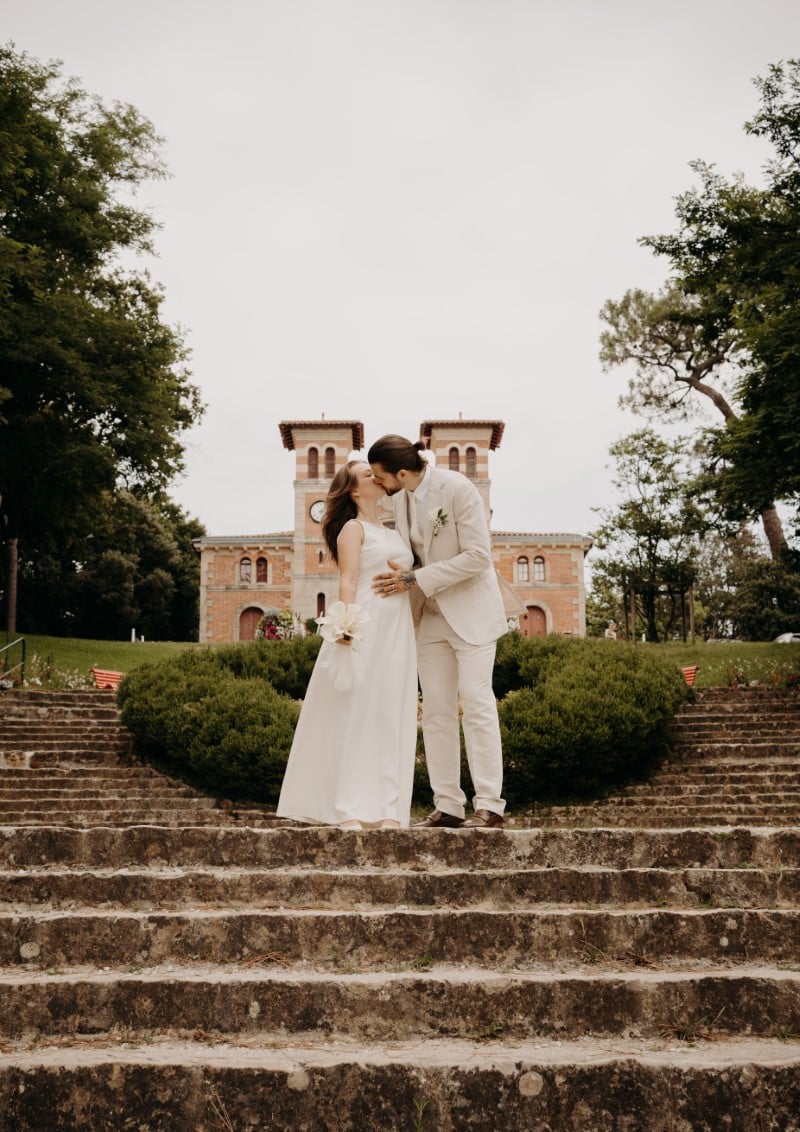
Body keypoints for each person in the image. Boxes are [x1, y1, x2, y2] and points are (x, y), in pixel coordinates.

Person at [368, 434, 508, 829]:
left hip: (472, 615)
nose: (379, 483)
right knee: (435, 712)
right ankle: (448, 805)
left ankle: (490, 806)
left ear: (400, 472)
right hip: (429, 616)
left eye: (381, 476)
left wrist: (415, 578)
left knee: (477, 704)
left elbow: (479, 557)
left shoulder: (458, 489)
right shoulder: (398, 497)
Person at [276, 461, 418, 830]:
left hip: (398, 628)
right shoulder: (351, 529)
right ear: (353, 489)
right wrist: (346, 627)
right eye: (366, 474)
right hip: (367, 624)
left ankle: (388, 808)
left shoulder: (394, 530)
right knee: (358, 712)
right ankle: (349, 808)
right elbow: (349, 581)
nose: (376, 476)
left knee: (389, 713)